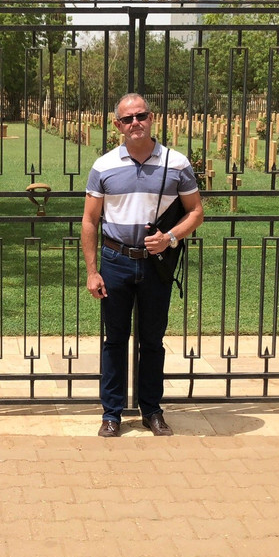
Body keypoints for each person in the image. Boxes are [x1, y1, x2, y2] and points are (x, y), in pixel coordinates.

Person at [81, 93, 204, 437]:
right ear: (117, 125)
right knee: (115, 340)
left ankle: (152, 410)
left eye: (141, 115)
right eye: (128, 118)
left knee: (152, 340)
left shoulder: (176, 163)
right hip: (115, 261)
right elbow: (90, 220)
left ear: (152, 118)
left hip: (155, 264)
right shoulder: (104, 166)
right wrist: (92, 271)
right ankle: (111, 413)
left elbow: (196, 212)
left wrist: (171, 237)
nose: (135, 122)